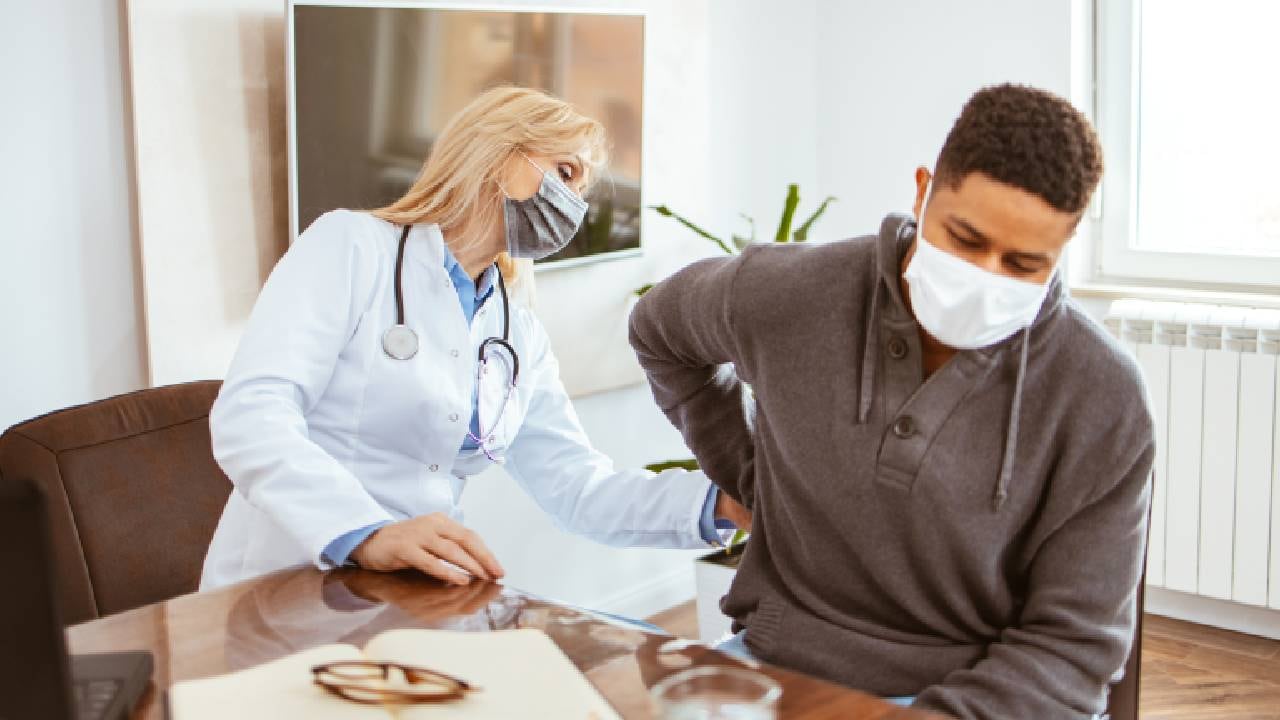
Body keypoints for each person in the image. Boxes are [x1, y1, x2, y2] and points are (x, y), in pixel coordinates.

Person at [629, 84, 1154, 718]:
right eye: (964, 238)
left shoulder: (1104, 397)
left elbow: (1071, 650)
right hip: (773, 671)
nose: (984, 277)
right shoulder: (786, 293)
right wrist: (753, 475)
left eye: (1022, 264)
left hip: (973, 698)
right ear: (923, 190)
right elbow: (659, 331)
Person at [201, 86, 747, 591]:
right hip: (287, 577)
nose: (574, 204)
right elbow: (252, 414)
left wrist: (722, 503)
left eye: (581, 187)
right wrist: (365, 532)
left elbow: (579, 489)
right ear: (500, 154)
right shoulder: (351, 246)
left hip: (413, 589)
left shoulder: (516, 330)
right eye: (564, 171)